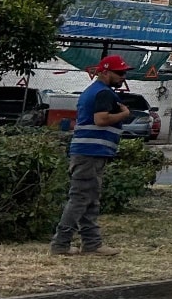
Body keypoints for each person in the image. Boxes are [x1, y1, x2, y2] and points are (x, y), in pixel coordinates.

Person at [51, 55, 133, 257]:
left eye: (124, 72)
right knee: (80, 199)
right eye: (119, 72)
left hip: (90, 153)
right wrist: (124, 115)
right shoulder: (103, 93)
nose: (123, 76)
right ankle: (61, 244)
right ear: (105, 72)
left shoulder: (94, 91)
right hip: (90, 153)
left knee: (89, 200)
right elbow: (101, 120)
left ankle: (92, 243)